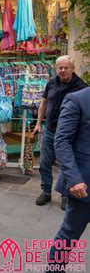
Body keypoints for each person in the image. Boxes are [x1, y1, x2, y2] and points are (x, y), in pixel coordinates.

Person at [33, 55, 87, 209]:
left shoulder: (81, 87)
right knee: (44, 163)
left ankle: (65, 195)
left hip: (69, 136)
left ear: (72, 68)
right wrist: (38, 123)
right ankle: (46, 192)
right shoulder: (51, 83)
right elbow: (44, 103)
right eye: (60, 68)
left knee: (66, 166)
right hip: (49, 131)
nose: (62, 70)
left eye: (66, 67)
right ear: (56, 68)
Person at [47, 87, 90, 273]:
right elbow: (62, 140)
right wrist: (74, 179)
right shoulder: (78, 99)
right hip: (83, 185)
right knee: (68, 236)